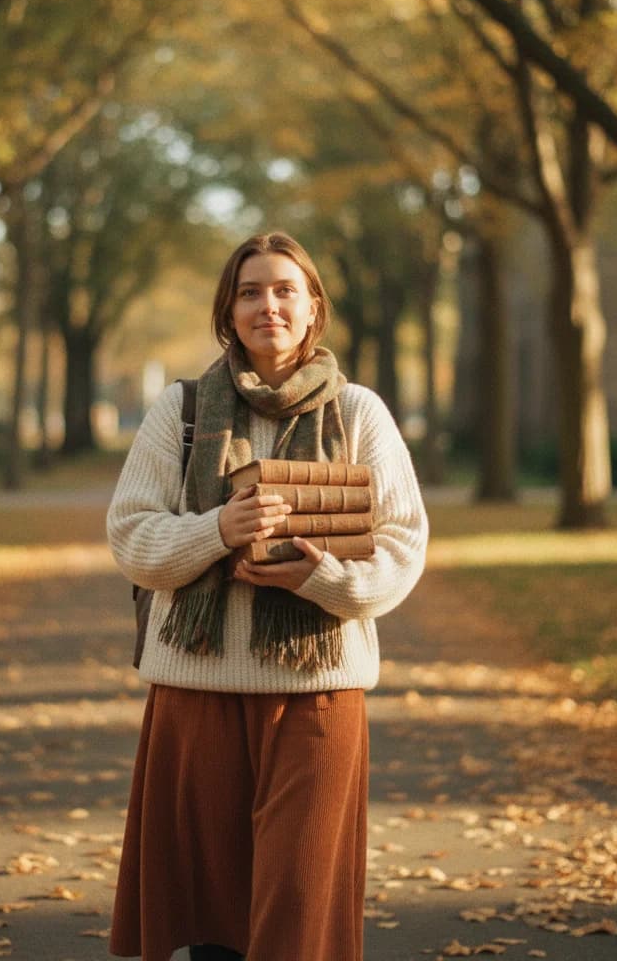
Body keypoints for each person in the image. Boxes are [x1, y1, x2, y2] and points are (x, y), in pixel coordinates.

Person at [106, 231, 428, 961]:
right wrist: (219, 529)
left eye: (285, 290)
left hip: (318, 696)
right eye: (250, 292)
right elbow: (130, 536)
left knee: (300, 913)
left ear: (313, 309)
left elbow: (403, 546)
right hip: (197, 694)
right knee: (216, 923)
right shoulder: (181, 411)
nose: (268, 306)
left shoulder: (359, 413)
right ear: (229, 311)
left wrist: (320, 578)